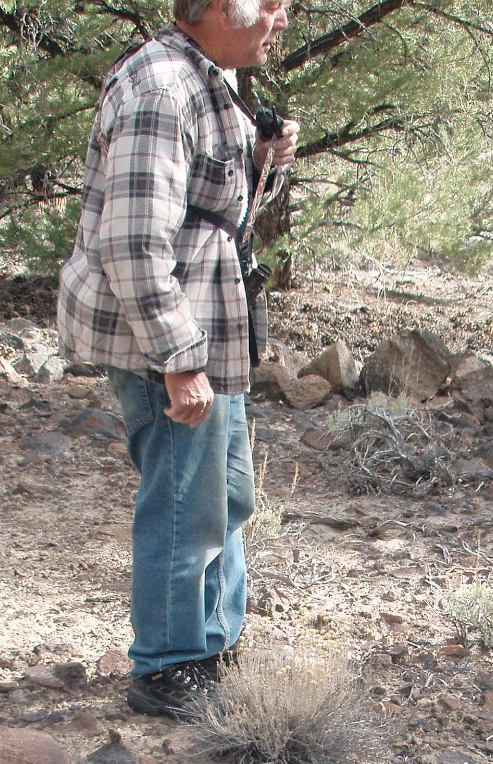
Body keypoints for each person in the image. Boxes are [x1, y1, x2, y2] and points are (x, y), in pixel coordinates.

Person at [58, 0, 299, 717]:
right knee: (182, 502)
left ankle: (214, 646)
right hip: (167, 338)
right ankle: (169, 666)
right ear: (222, 5)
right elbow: (132, 242)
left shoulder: (207, 75)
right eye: (271, 2)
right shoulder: (164, 88)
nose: (283, 17)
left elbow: (214, 212)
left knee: (226, 496)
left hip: (207, 326)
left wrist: (263, 159)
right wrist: (178, 359)